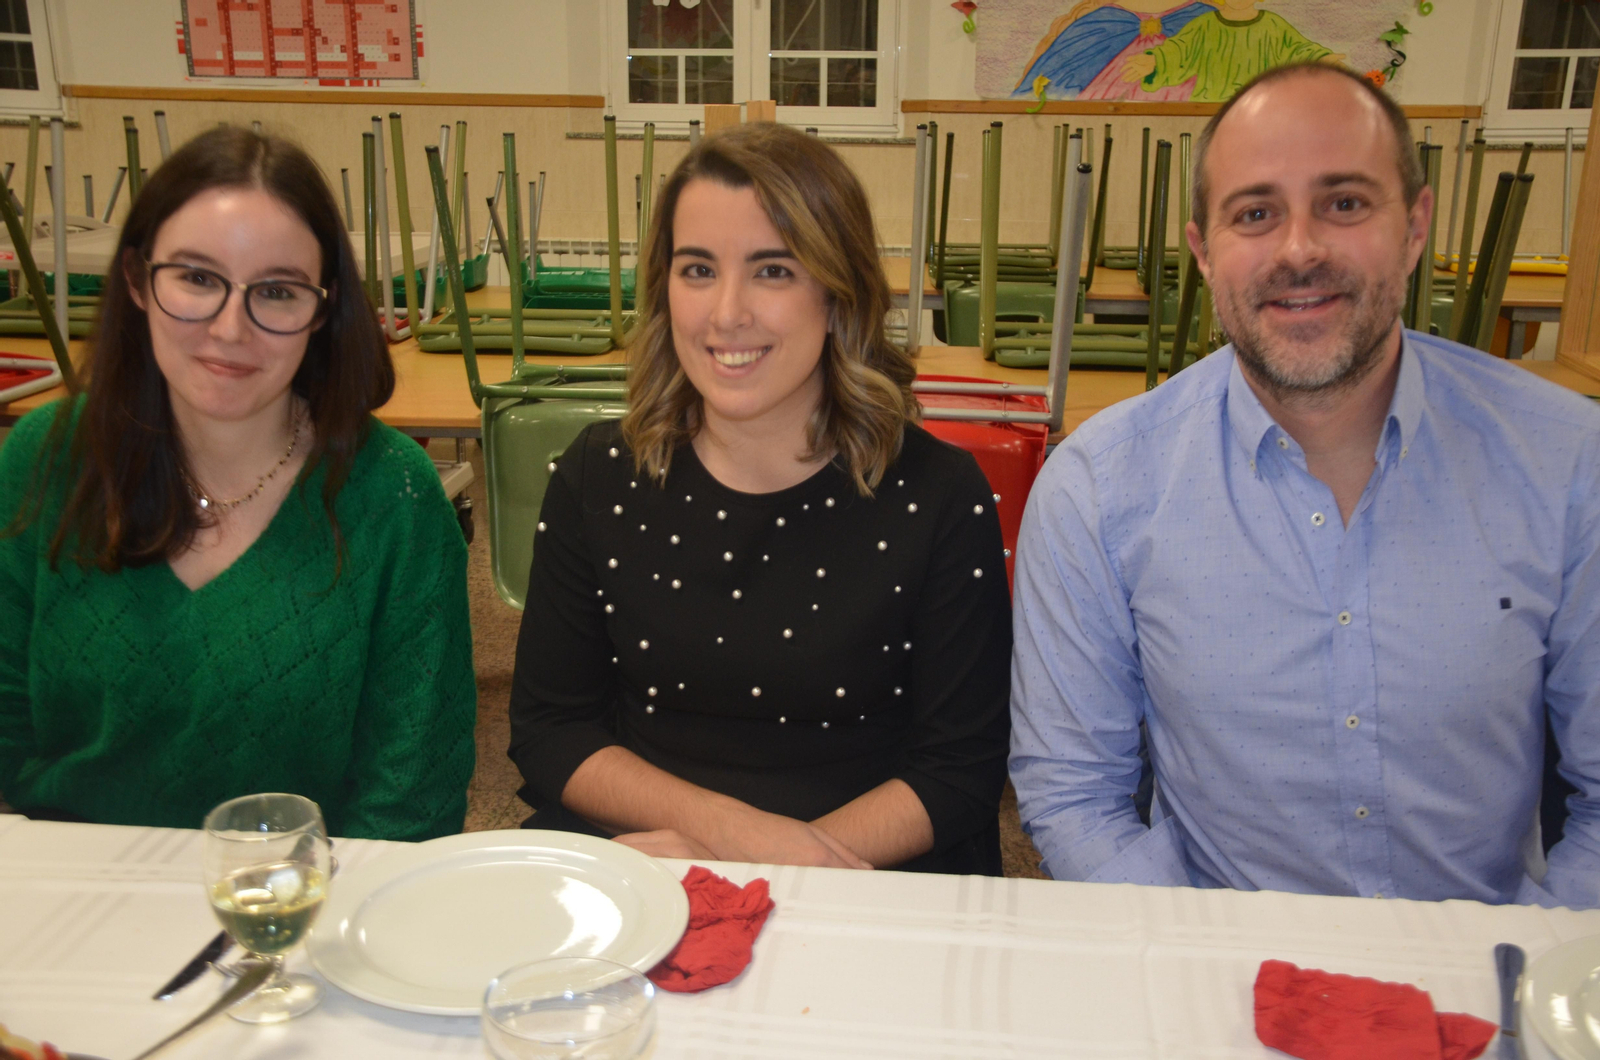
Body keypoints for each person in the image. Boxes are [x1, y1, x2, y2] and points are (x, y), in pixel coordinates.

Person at [1009, 62, 1600, 907]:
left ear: (1415, 225)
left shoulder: (1570, 462)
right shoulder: (1100, 488)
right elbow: (1073, 795)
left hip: (1491, 981)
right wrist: (1200, 968)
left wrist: (1525, 976)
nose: (1299, 250)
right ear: (1204, 252)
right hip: (1214, 978)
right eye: (1256, 213)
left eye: (1345, 203)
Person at [508, 122, 1011, 874]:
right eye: (697, 270)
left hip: (868, 870)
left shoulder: (938, 495)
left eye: (773, 271)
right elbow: (551, 731)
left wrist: (779, 867)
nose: (726, 313)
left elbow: (959, 771)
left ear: (839, 294)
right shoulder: (599, 476)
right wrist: (729, 834)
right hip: (654, 850)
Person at [0, 126, 476, 841]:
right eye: (196, 278)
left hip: (300, 911)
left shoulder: (395, 498)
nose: (230, 328)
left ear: (323, 308)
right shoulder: (45, 458)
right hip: (66, 898)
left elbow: (409, 804)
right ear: (136, 279)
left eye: (277, 292)